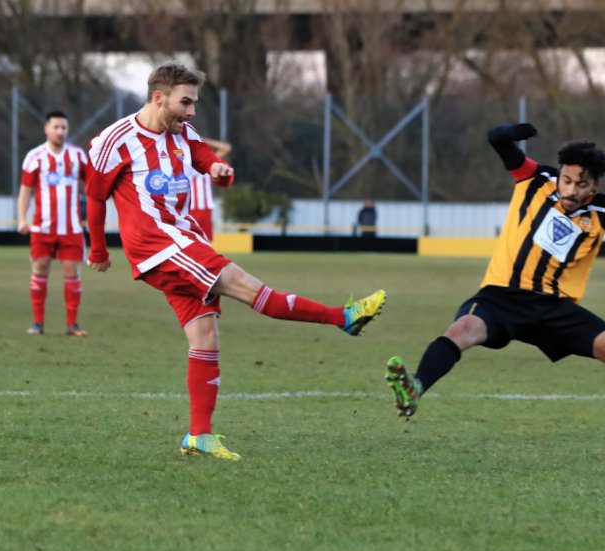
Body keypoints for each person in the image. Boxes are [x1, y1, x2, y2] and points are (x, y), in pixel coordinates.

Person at [85, 62, 386, 461]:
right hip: (159, 245)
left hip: (184, 239)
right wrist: (99, 249)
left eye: (195, 103)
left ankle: (200, 437)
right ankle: (341, 318)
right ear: (158, 98)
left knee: (205, 336)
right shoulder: (116, 140)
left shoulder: (181, 132)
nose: (192, 112)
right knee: (249, 287)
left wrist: (218, 170)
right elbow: (95, 194)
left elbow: (204, 156)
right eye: (186, 103)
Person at [385, 122, 605, 464]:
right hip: (501, 296)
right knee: (462, 330)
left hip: (553, 308)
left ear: (595, 185)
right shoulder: (535, 180)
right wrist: (512, 133)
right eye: (567, 180)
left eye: (582, 184)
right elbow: (495, 139)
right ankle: (415, 388)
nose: (571, 189)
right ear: (559, 174)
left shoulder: (604, 212)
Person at [16, 110, 89, 337]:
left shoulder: (78, 156)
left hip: (72, 228)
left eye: (63, 128)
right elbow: (25, 191)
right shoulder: (35, 156)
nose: (60, 131)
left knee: (71, 271)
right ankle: (38, 323)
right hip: (42, 227)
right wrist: (22, 219)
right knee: (40, 269)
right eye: (56, 127)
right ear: (46, 129)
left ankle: (72, 324)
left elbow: (92, 187)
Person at [188, 138, 231, 241]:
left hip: (205, 207)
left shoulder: (208, 162)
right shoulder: (184, 162)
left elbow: (226, 148)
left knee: (206, 241)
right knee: (189, 240)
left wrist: (202, 141)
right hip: (189, 208)